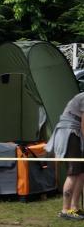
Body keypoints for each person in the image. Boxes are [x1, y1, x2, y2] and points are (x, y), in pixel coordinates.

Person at [46, 91, 84, 220]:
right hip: (69, 133)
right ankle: (65, 210)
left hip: (75, 133)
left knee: (81, 173)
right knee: (73, 171)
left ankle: (75, 208)